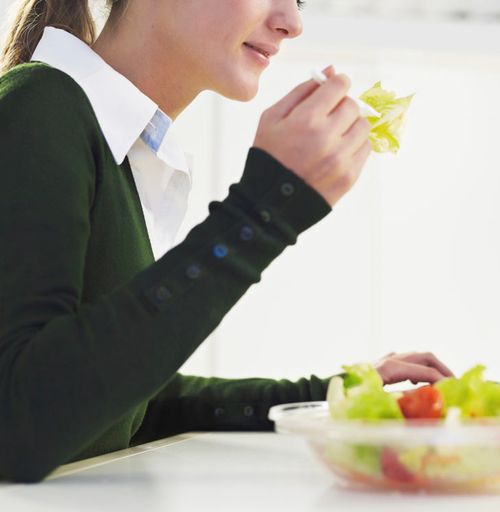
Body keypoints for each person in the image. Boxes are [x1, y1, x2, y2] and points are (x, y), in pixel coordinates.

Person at [0, 0, 453, 483]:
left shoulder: (109, 143)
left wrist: (332, 397)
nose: (292, 22)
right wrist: (264, 211)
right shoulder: (39, 106)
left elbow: (118, 407)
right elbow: (20, 423)